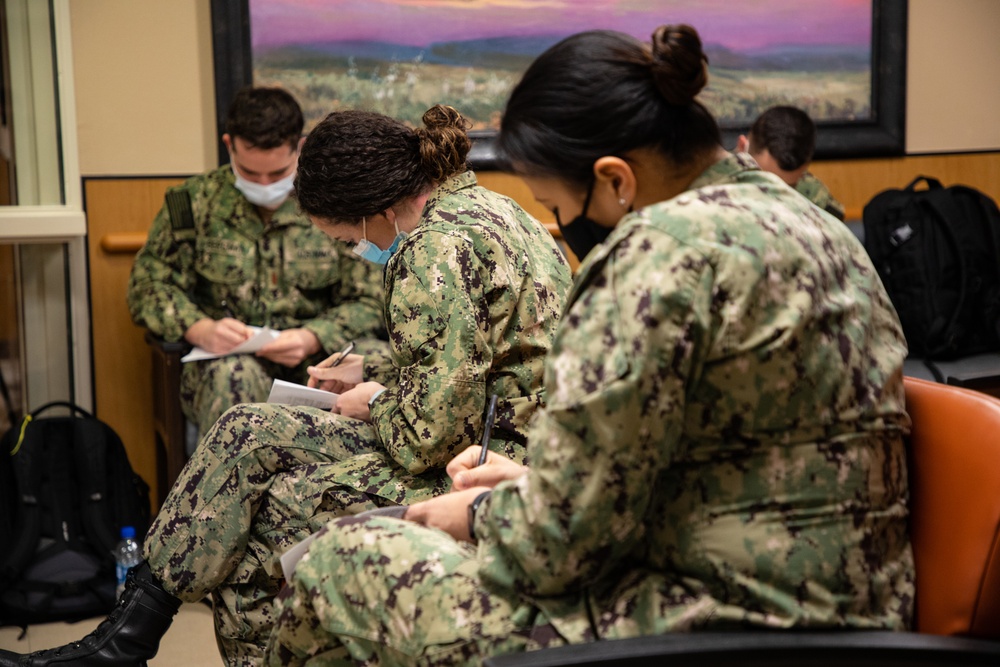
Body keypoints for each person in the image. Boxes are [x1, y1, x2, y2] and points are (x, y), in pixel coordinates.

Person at [262, 25, 915, 666]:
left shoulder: (658, 254)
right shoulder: (813, 221)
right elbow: (729, 460)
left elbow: (557, 549)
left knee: (340, 557)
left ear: (614, 182)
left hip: (721, 618)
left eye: (552, 200)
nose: (562, 224)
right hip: (851, 607)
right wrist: (533, 483)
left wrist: (484, 512)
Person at [0, 105, 572, 667]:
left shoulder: (431, 250)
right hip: (486, 432)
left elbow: (426, 436)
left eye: (346, 238)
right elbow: (472, 361)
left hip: (488, 458)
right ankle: (126, 637)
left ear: (374, 209)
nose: (355, 250)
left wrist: (372, 401)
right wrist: (371, 371)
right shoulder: (492, 208)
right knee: (244, 427)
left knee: (272, 510)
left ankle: (146, 643)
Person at [126, 86, 386, 439]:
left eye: (278, 174)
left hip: (315, 357)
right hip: (225, 362)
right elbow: (148, 286)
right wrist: (198, 327)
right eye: (250, 173)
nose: (264, 184)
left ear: (300, 146)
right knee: (233, 375)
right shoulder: (192, 203)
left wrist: (314, 336)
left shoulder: (334, 205)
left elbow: (372, 298)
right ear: (229, 144)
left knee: (378, 362)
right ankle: (233, 492)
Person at [735, 105, 847, 221]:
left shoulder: (814, 195)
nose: (774, 193)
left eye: (788, 187)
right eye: (762, 182)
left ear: (805, 166)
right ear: (742, 147)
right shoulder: (717, 184)